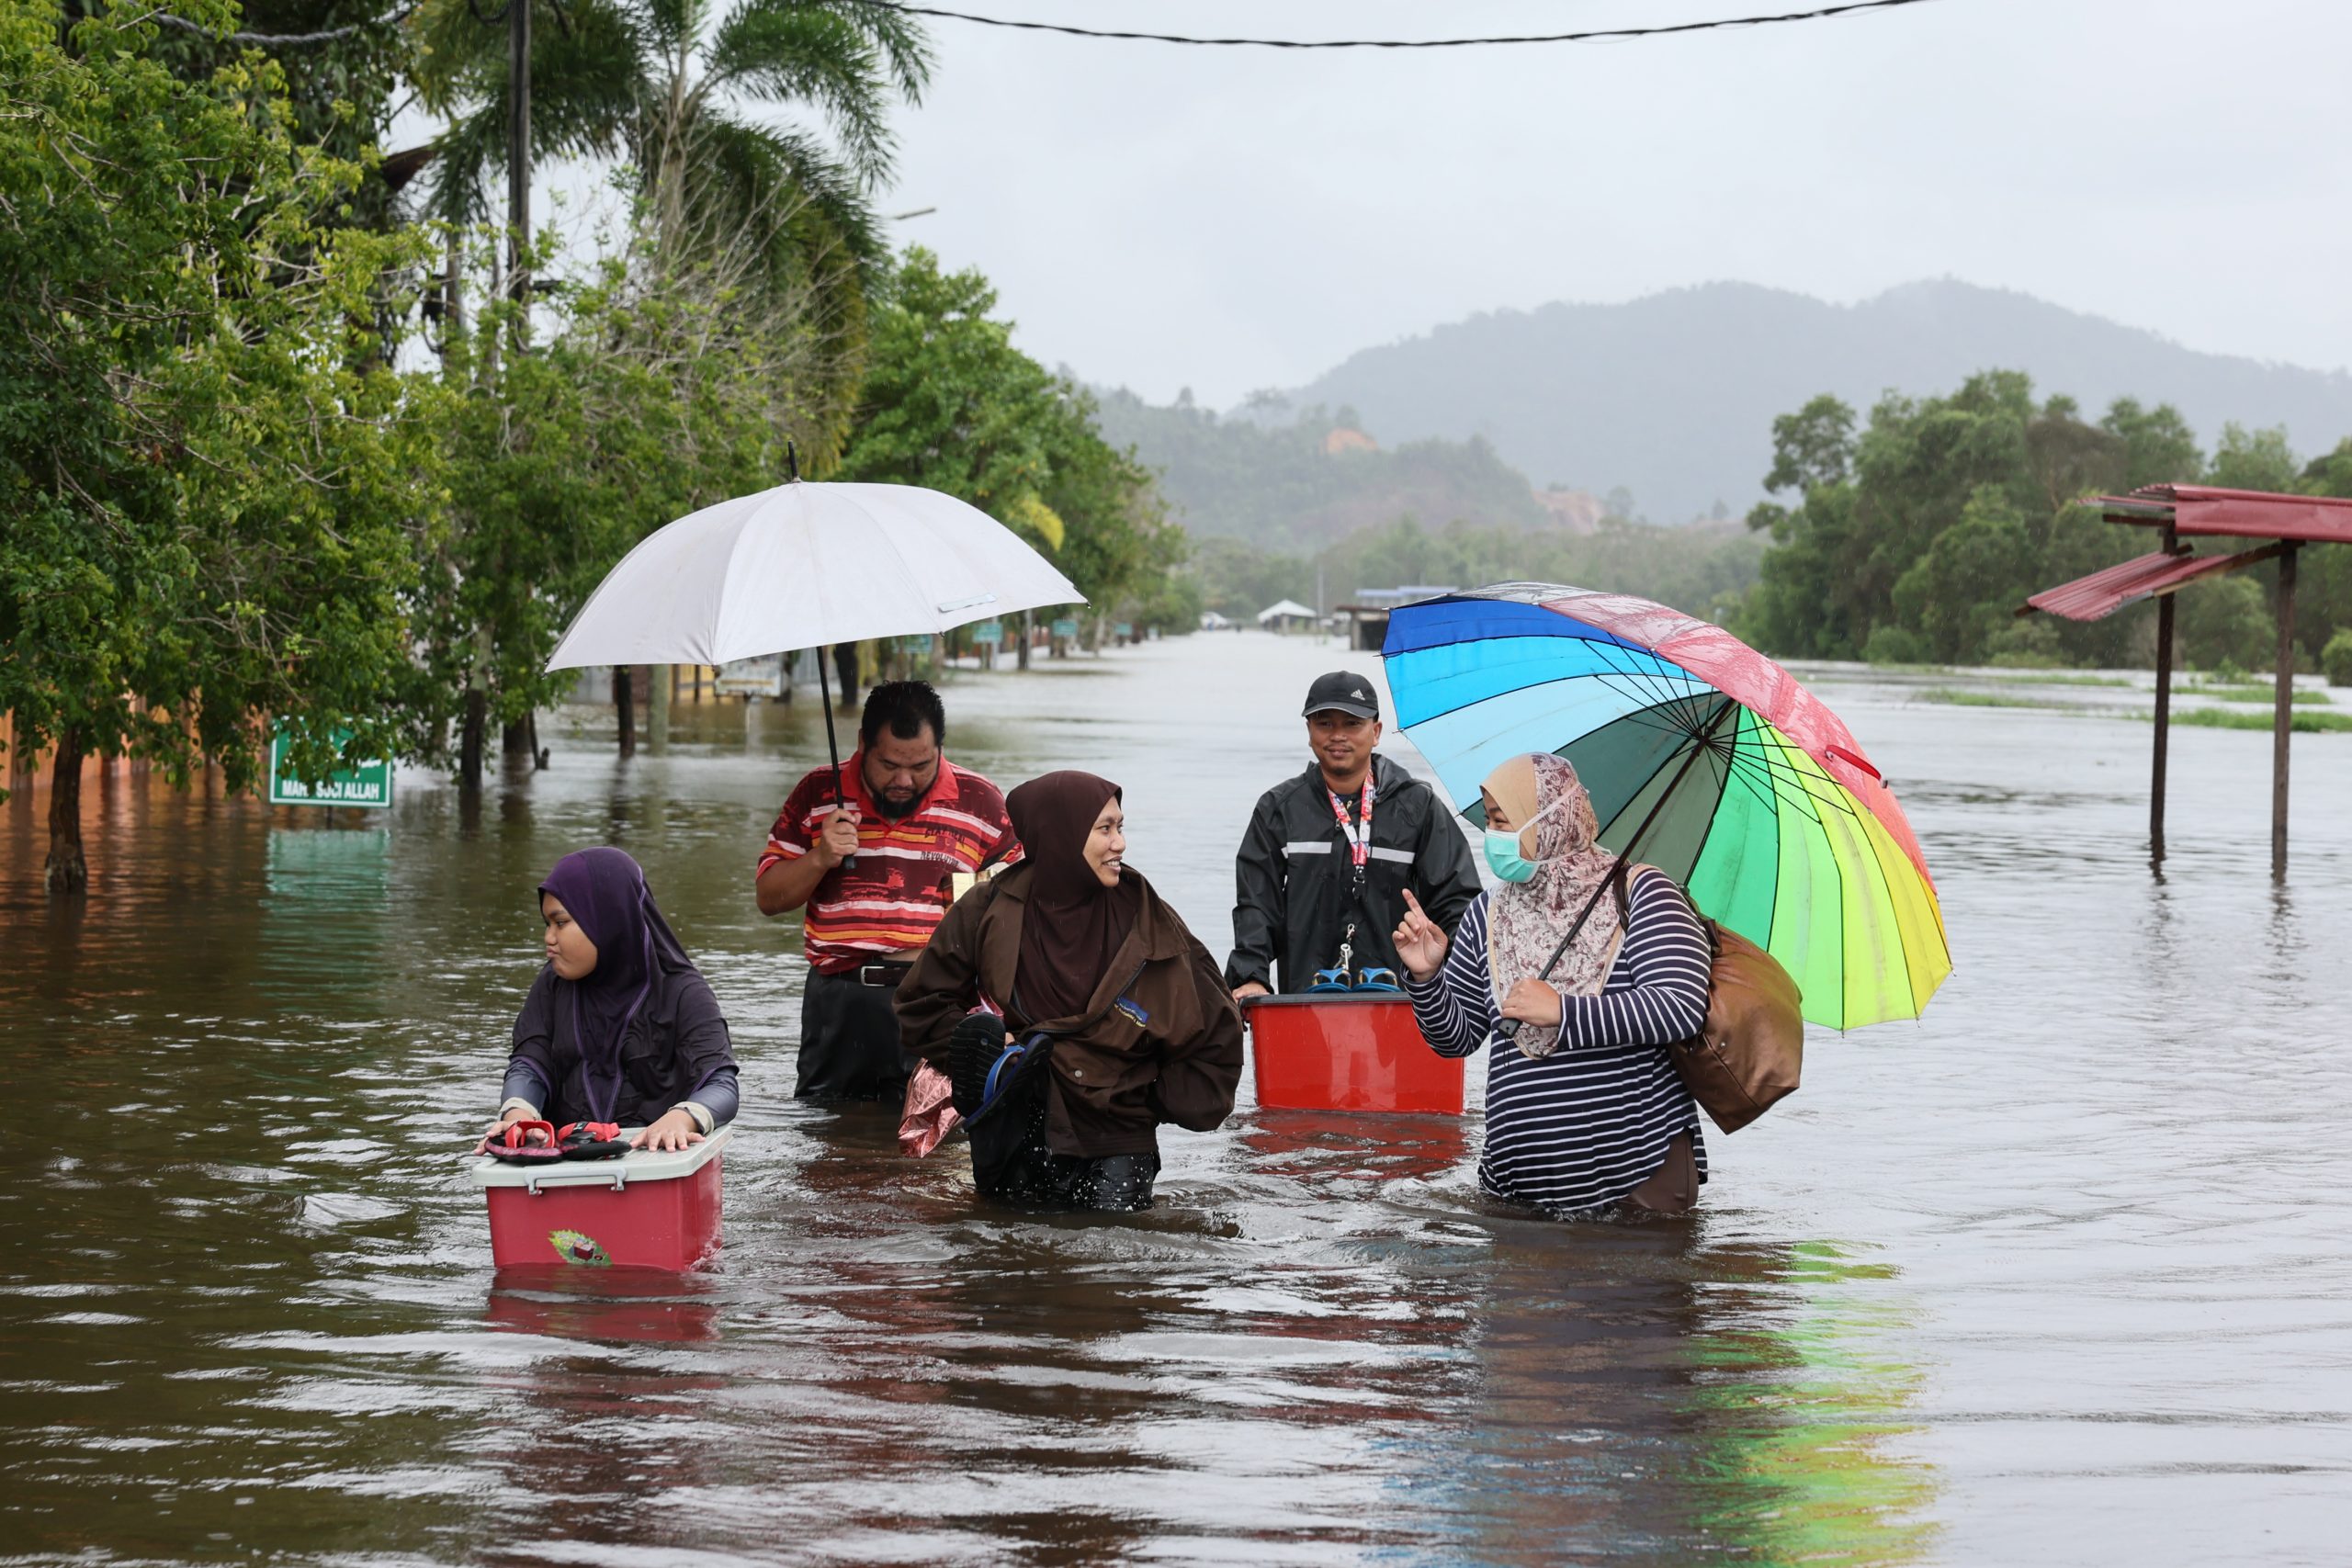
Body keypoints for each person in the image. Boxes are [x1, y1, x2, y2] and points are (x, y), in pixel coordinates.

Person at [894, 771, 1243, 1211]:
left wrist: (1146, 1099)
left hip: (1116, 1142)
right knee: (1001, 1264)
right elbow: (919, 1005)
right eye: (1104, 829)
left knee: (1107, 1266)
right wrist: (988, 1049)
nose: (1120, 843)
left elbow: (1218, 1032)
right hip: (1010, 1129)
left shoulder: (1149, 919)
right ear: (1058, 835)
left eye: (1121, 827)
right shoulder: (987, 908)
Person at [1390, 753, 1710, 1214]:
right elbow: (1454, 1039)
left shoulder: (1643, 894)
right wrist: (1426, 976)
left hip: (1636, 1178)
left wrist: (1564, 1011)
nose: (1493, 836)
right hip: (1517, 1185)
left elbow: (1679, 1008)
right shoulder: (1489, 912)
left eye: (1505, 821)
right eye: (1490, 821)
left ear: (1553, 818)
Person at [756, 680, 1020, 1101]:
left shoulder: (981, 801)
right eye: (889, 764)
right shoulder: (818, 793)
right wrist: (820, 856)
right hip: (841, 1000)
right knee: (829, 1138)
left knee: (936, 1137)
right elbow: (769, 899)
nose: (904, 780)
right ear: (863, 743)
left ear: (940, 748)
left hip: (938, 1001)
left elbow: (1020, 908)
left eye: (920, 766)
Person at [1227, 671, 1481, 998]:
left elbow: (1457, 903)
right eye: (1325, 723)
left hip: (1406, 1001)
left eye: (1352, 723)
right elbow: (1256, 905)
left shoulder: (1419, 807)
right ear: (1309, 731)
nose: (1338, 735)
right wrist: (1251, 976)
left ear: (1375, 732)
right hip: (1305, 999)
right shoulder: (1278, 809)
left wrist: (1463, 980)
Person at [487, 847, 740, 1153]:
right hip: (571, 1156)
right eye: (547, 924)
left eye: (561, 923)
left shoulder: (683, 991)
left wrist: (683, 1118)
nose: (549, 938)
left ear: (606, 920)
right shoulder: (552, 985)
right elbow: (529, 1063)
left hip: (655, 1158)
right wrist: (519, 1114)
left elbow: (721, 1083)